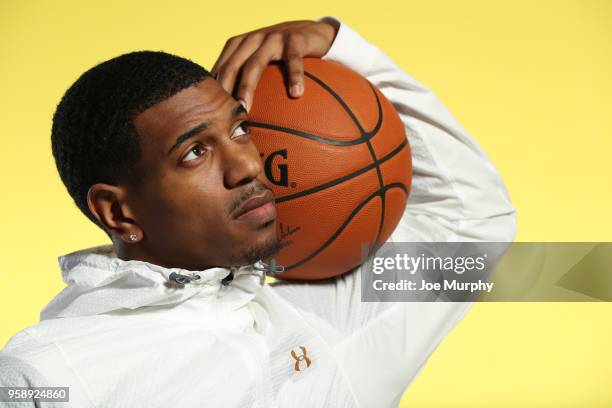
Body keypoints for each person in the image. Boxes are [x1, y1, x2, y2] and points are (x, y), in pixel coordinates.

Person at [0, 16, 516, 408]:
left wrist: (340, 47)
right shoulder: (46, 376)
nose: (248, 163)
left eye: (240, 128)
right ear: (118, 213)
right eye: (194, 153)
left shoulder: (324, 326)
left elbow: (472, 229)